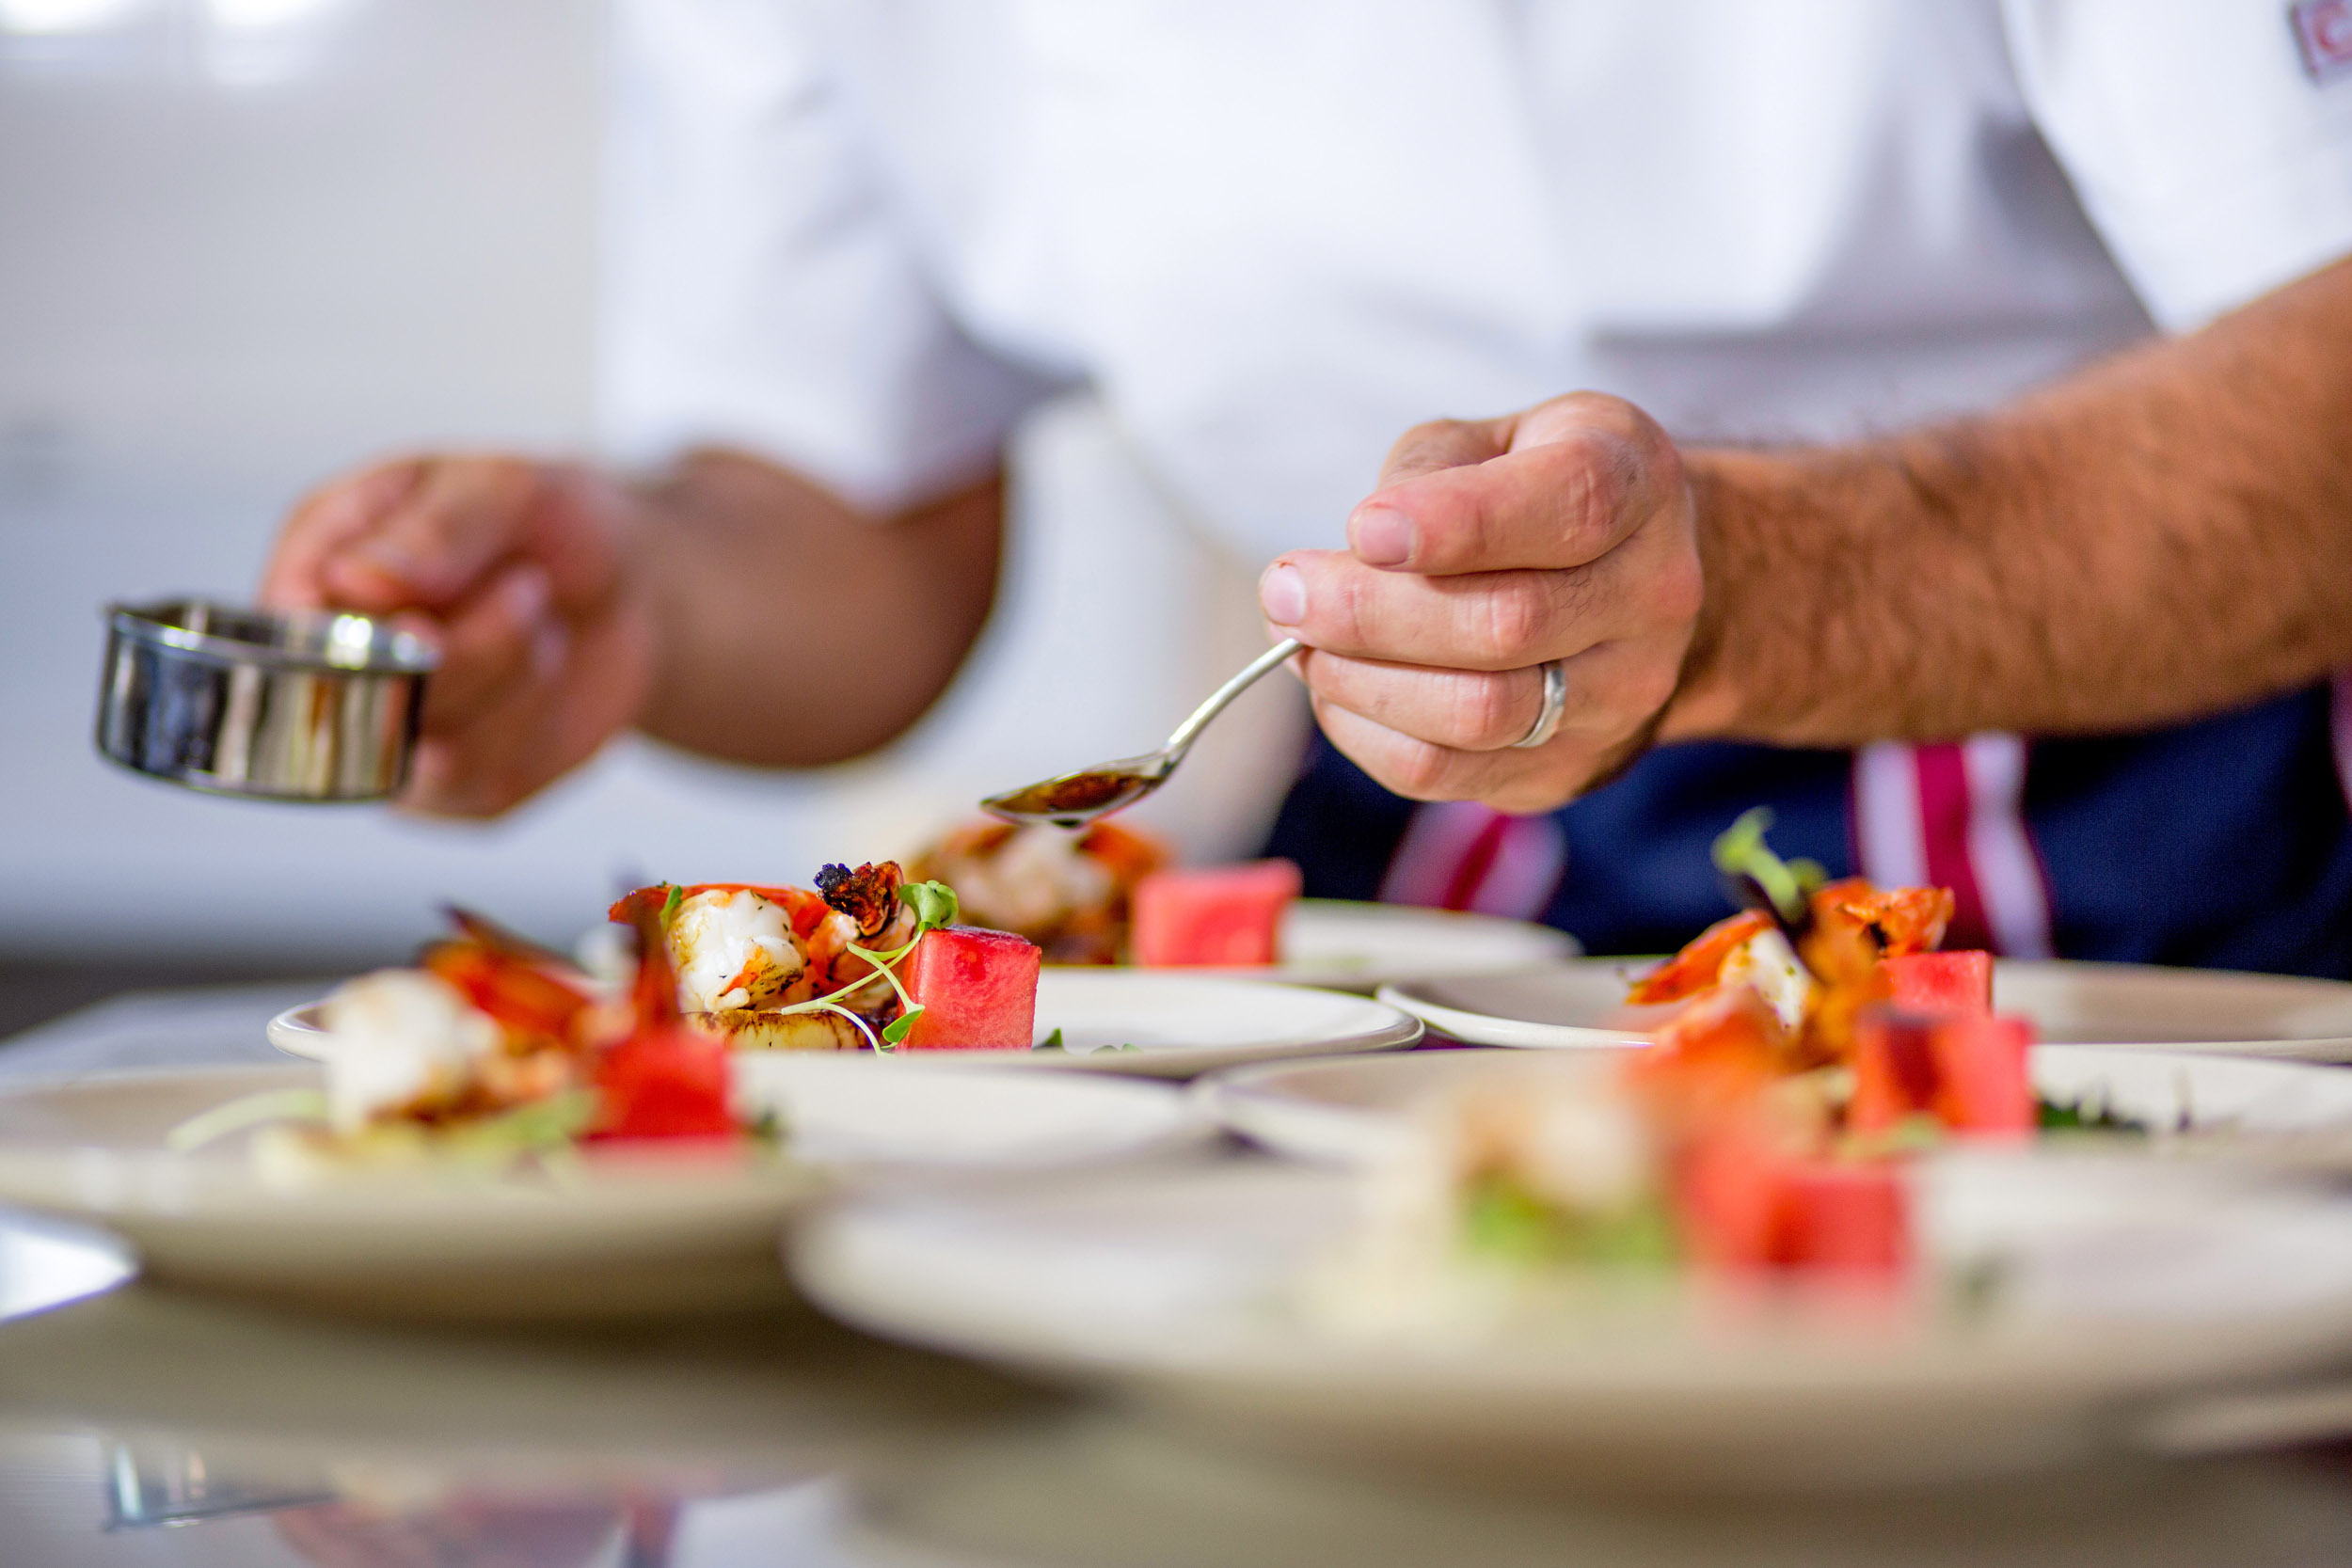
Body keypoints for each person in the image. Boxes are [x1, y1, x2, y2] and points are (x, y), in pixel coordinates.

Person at [261, 2, 2352, 975]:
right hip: (1428, 885)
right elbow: (848, 516)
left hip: (2204, 822)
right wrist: (637, 590)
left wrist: (1748, 590)